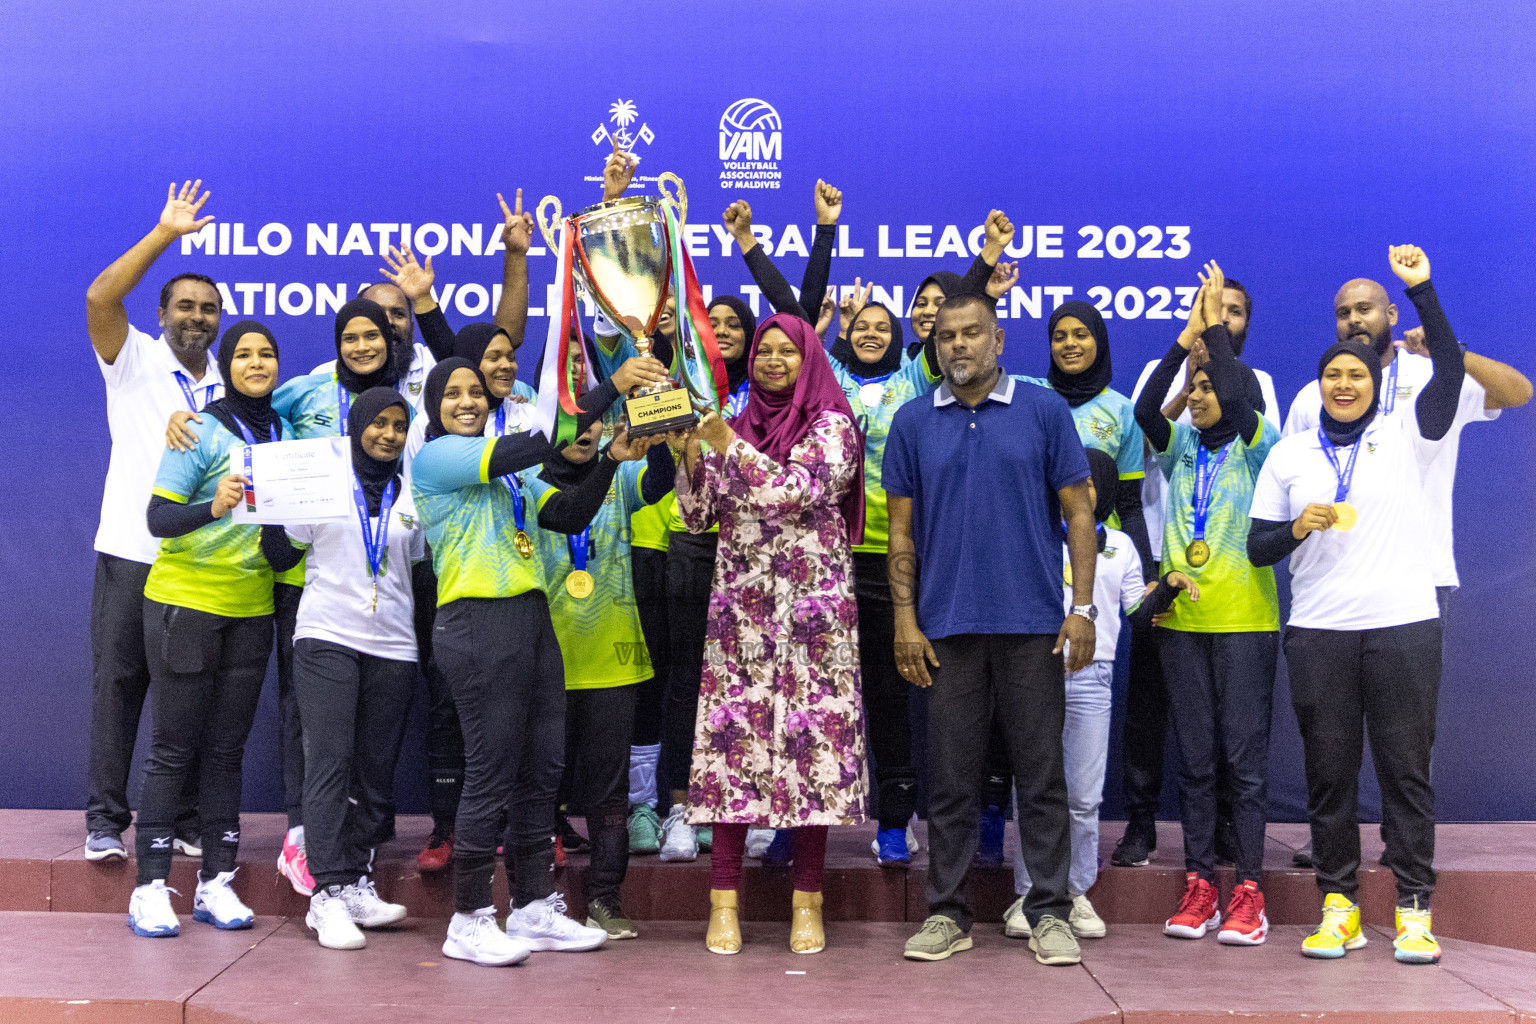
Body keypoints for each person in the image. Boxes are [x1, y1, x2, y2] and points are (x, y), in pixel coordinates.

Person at [1248, 246, 1466, 965]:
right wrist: (1294, 527)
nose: (1344, 383)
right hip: (1318, 633)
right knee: (1329, 774)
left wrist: (1423, 290)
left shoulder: (1410, 433)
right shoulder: (1291, 453)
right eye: (1332, 375)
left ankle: (1411, 909)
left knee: (1405, 772)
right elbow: (1256, 548)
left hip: (1404, 625)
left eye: (1356, 374)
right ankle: (1338, 905)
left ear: (1375, 382)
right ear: (1320, 387)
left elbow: (1454, 371)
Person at [410, 354, 665, 967]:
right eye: (454, 394)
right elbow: (541, 442)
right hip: (476, 621)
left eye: (477, 393)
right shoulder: (437, 456)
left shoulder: (513, 478)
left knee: (541, 769)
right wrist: (612, 388)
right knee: (492, 770)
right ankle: (469, 917)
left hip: (531, 619)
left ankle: (531, 907)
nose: (468, 401)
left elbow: (573, 512)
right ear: (435, 407)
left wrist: (608, 462)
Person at [885, 293, 1095, 967]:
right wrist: (905, 621)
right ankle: (947, 914)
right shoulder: (913, 422)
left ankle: (1050, 913)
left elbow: (1080, 514)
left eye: (972, 333)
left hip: (1034, 625)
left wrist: (1083, 608)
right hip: (946, 629)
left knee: (1041, 779)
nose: (958, 346)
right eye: (947, 336)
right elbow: (900, 535)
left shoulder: (1044, 410)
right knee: (950, 781)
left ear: (997, 340)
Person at [671, 312, 869, 956]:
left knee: (811, 759)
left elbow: (797, 489)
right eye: (764, 352)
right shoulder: (735, 425)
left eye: (788, 351)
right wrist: (688, 457)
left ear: (809, 358)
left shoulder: (832, 426)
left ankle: (806, 904)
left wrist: (725, 444)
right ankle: (722, 903)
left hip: (815, 617)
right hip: (742, 615)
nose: (774, 361)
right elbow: (699, 518)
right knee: (734, 754)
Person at [1133, 263, 1280, 947]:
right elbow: (1143, 414)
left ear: (1231, 390)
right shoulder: (1179, 444)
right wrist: (1186, 340)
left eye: (1204, 386)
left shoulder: (1260, 449)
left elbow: (1244, 406)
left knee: (1243, 765)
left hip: (1245, 622)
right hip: (1181, 623)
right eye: (1190, 388)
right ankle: (1199, 887)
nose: (1194, 396)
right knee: (1193, 761)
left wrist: (1218, 323)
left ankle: (1249, 891)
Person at [127, 321, 289, 937]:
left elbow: (278, 543)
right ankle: (149, 887)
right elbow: (159, 518)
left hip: (251, 608)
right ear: (228, 364)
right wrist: (213, 506)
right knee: (174, 749)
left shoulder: (287, 433)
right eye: (243, 354)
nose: (256, 362)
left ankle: (216, 882)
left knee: (226, 750)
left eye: (266, 353)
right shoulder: (194, 426)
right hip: (186, 603)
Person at [1003, 449, 1195, 942]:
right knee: (1035, 790)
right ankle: (1028, 895)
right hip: (1035, 673)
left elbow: (1136, 610)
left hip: (1093, 678)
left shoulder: (1123, 547)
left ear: (1106, 490)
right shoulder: (1033, 535)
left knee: (1084, 797)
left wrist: (1167, 588)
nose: (1081, 491)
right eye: (1071, 482)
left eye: (1091, 483)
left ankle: (1074, 891)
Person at [83, 180, 219, 862]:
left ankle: (185, 818)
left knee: (187, 700)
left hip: (200, 567)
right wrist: (166, 234)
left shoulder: (232, 382)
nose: (197, 317)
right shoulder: (132, 359)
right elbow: (100, 297)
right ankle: (106, 823)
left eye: (208, 309)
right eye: (185, 306)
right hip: (131, 555)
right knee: (118, 688)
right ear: (162, 314)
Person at [260, 388, 421, 951]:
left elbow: (417, 573)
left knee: (375, 775)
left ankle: (355, 881)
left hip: (395, 644)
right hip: (327, 636)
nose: (387, 434)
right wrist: (268, 510)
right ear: (356, 427)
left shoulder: (414, 494)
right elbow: (280, 556)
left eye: (398, 426)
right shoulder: (325, 489)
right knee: (330, 763)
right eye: (377, 423)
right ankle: (325, 894)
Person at [534, 420, 676, 937]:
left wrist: (658, 438)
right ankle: (535, 903)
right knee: (537, 787)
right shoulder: (528, 481)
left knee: (609, 793)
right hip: (546, 658)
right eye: (568, 421)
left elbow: (659, 482)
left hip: (614, 657)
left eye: (590, 421)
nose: (581, 431)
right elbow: (567, 515)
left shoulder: (621, 476)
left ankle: (606, 900)